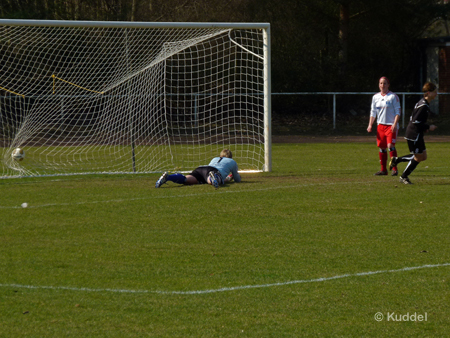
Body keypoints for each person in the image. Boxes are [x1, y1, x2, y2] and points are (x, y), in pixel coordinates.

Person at [389, 82, 438, 185]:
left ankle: (397, 160)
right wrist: (429, 126)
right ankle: (404, 176)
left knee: (423, 156)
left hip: (418, 134)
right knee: (418, 157)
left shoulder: (424, 103)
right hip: (413, 135)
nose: (436, 93)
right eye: (435, 92)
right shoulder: (423, 105)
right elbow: (416, 122)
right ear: (428, 93)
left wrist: (424, 127)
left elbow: (418, 121)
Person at [155, 149, 241, 188]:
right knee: (212, 180)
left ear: (220, 155)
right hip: (213, 171)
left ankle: (168, 177)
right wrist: (232, 177)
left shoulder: (214, 158)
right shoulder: (232, 162)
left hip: (201, 169)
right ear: (231, 157)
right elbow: (237, 179)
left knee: (186, 179)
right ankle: (213, 177)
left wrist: (228, 178)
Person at [367, 77, 401, 176]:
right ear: (379, 85)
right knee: (382, 147)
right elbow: (373, 112)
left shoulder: (393, 97)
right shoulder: (375, 97)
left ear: (388, 85)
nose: (382, 85)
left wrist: (395, 124)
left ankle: (394, 169)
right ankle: (383, 170)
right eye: (381, 83)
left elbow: (398, 112)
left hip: (390, 126)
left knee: (390, 146)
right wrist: (370, 124)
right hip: (380, 125)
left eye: (385, 83)